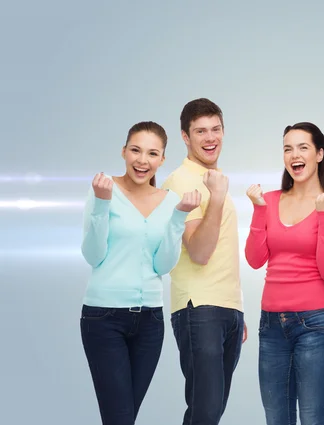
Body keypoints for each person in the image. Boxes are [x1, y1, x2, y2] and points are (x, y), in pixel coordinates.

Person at [80, 121, 200, 425]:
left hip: (150, 321)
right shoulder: (103, 189)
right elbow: (93, 255)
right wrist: (101, 205)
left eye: (152, 153)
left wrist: (178, 219)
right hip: (103, 318)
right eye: (135, 150)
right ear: (123, 152)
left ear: (162, 160)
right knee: (119, 418)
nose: (142, 160)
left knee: (125, 417)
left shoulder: (170, 201)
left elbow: (162, 266)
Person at [245, 122, 324, 425]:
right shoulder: (272, 200)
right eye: (288, 148)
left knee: (314, 419)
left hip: (316, 324)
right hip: (271, 325)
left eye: (303, 147)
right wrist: (259, 210)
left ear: (319, 154)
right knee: (277, 419)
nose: (294, 155)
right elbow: (254, 259)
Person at [161, 98, 246, 425]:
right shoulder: (181, 182)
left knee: (209, 412)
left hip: (226, 308)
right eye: (200, 131)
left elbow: (224, 250)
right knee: (206, 411)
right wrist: (218, 199)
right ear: (185, 136)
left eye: (216, 129)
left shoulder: (215, 178)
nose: (210, 138)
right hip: (199, 308)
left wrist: (237, 308)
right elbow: (198, 251)